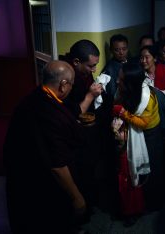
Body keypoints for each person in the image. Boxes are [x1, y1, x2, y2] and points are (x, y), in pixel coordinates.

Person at [4, 61, 87, 234]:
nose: (71, 88)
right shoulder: (48, 113)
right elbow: (57, 165)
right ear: (63, 85)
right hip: (39, 184)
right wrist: (77, 197)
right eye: (71, 84)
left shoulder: (38, 96)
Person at [61, 39, 118, 214]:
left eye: (95, 66)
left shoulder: (83, 71)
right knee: (81, 172)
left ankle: (92, 199)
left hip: (88, 128)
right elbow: (71, 114)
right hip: (73, 136)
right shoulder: (64, 78)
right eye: (91, 66)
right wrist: (91, 95)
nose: (94, 70)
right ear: (76, 62)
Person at [113, 62, 164, 216]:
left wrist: (123, 113)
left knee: (150, 169)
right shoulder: (129, 90)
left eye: (121, 80)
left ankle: (152, 203)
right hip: (135, 129)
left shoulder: (146, 98)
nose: (117, 81)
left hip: (149, 134)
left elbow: (142, 123)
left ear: (131, 84)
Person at [103, 34, 130, 99]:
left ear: (127, 48)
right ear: (111, 50)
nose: (121, 53)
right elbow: (112, 93)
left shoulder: (131, 61)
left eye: (124, 49)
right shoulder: (110, 69)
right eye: (117, 50)